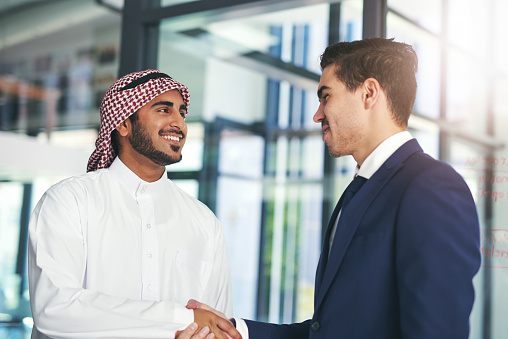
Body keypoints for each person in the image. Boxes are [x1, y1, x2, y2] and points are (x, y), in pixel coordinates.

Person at [186, 38, 481, 338]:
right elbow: (328, 329)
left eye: (326, 97)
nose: (317, 114)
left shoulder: (431, 187)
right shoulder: (358, 190)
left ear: (369, 93)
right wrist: (236, 331)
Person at [27, 69, 241, 339]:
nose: (179, 123)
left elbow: (217, 325)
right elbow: (55, 310)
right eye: (164, 110)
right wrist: (182, 318)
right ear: (124, 124)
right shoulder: (69, 202)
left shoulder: (205, 223)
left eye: (182, 113)